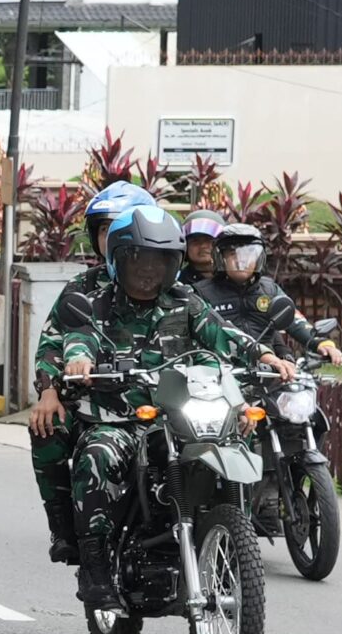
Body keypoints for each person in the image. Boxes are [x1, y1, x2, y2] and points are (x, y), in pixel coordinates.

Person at [45, 206, 291, 608]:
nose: (148, 271)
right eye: (139, 260)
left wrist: (265, 356)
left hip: (178, 415)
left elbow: (222, 334)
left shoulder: (184, 300)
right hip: (120, 417)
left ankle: (230, 535)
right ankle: (95, 566)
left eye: (160, 261)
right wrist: (79, 361)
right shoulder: (98, 300)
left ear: (172, 265)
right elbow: (79, 336)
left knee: (240, 436)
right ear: (119, 260)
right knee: (98, 456)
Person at [22, 181, 159, 562]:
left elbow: (212, 335)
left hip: (166, 406)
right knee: (47, 427)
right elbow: (56, 342)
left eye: (120, 226)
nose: (110, 236)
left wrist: (264, 358)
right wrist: (49, 391)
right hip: (97, 404)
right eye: (103, 229)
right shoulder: (81, 289)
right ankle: (65, 527)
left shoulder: (168, 286)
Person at [199, 223, 342, 363]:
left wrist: (322, 344)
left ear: (259, 258)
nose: (241, 260)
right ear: (220, 258)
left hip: (269, 370)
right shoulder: (201, 293)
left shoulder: (269, 289)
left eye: (249, 254)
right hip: (220, 373)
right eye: (233, 254)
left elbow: (294, 319)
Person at [182, 212, 224, 286]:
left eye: (209, 240)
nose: (203, 245)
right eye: (195, 241)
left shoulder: (233, 278)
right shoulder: (177, 282)